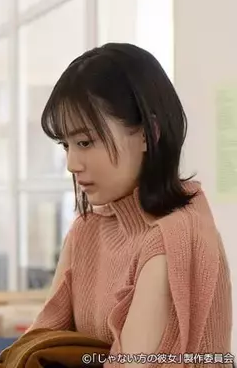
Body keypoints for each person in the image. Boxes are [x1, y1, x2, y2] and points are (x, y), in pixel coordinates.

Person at [28, 43, 232, 366]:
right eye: (66, 145)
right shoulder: (86, 230)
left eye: (85, 142)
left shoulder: (174, 237)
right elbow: (36, 347)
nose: (71, 163)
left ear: (149, 133)